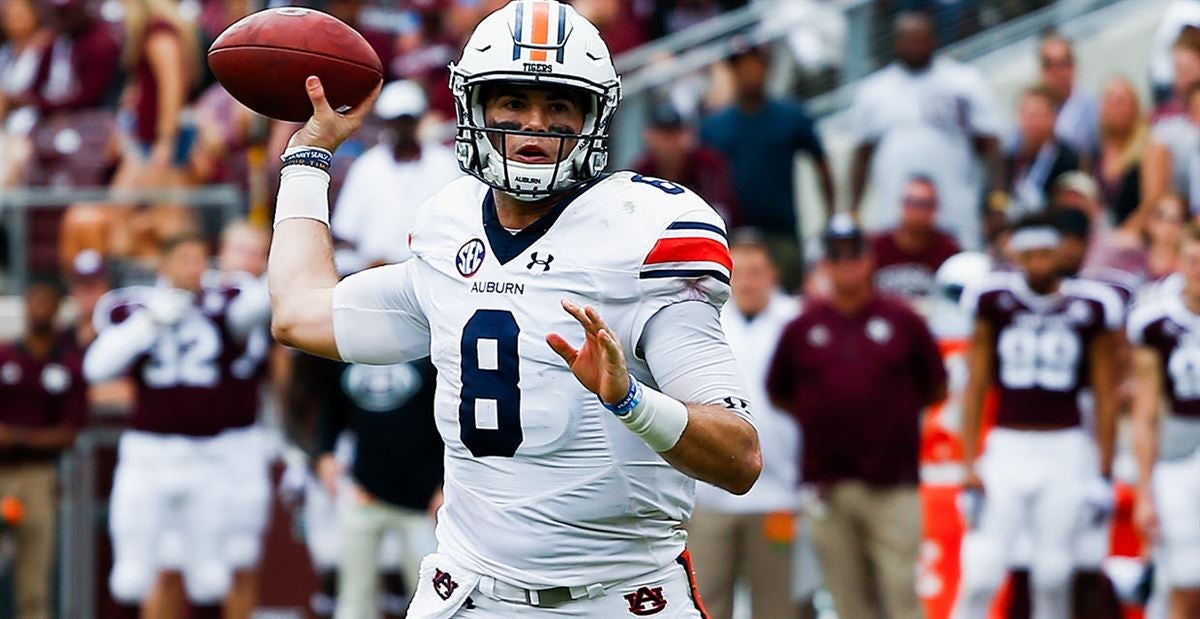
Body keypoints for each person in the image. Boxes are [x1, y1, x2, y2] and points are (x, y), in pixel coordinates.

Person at [269, 2, 762, 617]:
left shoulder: (643, 234)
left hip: (613, 599)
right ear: (473, 109)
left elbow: (739, 458)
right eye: (512, 102)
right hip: (465, 593)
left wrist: (630, 401)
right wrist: (309, 156)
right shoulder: (448, 227)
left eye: (559, 105)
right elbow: (297, 312)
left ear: (594, 116)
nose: (534, 124)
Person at [766, 214, 946, 619]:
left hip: (893, 482)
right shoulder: (803, 326)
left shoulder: (904, 320)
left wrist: (886, 416)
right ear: (825, 265)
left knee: (900, 591)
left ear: (869, 260)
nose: (846, 264)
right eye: (836, 256)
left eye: (854, 255)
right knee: (848, 598)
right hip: (829, 483)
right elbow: (780, 392)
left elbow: (935, 385)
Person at [84, 233, 271, 617]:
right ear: (164, 265)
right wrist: (149, 323)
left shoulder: (222, 305)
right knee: (138, 571)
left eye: (200, 260)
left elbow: (264, 301)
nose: (195, 269)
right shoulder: (137, 307)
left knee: (212, 574)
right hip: (150, 452)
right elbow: (96, 368)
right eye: (185, 259)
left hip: (209, 454)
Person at [953, 215, 1123, 619]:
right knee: (980, 572)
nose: (1040, 262)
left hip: (1064, 447)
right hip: (1009, 445)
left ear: (1061, 252)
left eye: (1047, 252)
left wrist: (1103, 471)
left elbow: (1105, 395)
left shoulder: (1091, 305)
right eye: (1031, 253)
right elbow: (975, 386)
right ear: (1018, 254)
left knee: (1052, 574)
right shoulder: (993, 300)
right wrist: (968, 464)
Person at [688, 234, 800, 619]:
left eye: (757, 272)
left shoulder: (798, 322)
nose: (748, 282)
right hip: (709, 494)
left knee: (778, 607)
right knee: (706, 603)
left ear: (773, 274)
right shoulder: (704, 319)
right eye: (740, 273)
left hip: (780, 493)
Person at [849, 10, 1004, 251]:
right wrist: (854, 210)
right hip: (896, 209)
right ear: (896, 42)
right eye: (908, 39)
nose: (915, 45)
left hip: (955, 209)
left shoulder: (963, 81)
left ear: (933, 39)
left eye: (920, 38)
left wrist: (997, 201)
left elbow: (991, 145)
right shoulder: (874, 90)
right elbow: (862, 155)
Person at [312, 356, 443, 618]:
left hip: (423, 499)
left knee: (432, 598)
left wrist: (444, 484)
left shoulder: (427, 348)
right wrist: (325, 453)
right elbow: (331, 405)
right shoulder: (349, 347)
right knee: (354, 599)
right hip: (364, 491)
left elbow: (450, 420)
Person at [701, 40, 834, 289]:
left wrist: (829, 216)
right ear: (733, 72)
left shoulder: (791, 116)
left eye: (754, 65)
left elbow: (821, 162)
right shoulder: (714, 126)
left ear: (767, 68)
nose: (749, 73)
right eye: (742, 67)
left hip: (780, 232)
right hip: (730, 235)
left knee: (786, 299)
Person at [0, 280, 88, 619]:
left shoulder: (67, 364)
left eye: (45, 302)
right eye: (33, 300)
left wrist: (17, 436)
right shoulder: (6, 355)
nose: (38, 308)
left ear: (57, 309)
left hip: (39, 475)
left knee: (34, 580)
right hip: (1, 471)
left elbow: (70, 431)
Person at [1128, 224, 1200, 619]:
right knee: (1186, 577)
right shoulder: (1157, 320)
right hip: (1178, 454)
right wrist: (1144, 489)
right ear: (1180, 261)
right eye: (1194, 261)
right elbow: (1146, 412)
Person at [331, 79, 462, 272]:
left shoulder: (445, 163)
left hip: (431, 268)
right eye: (396, 122)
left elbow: (459, 226)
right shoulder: (367, 166)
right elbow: (347, 231)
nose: (402, 129)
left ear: (418, 120)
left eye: (407, 121)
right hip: (372, 269)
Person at [632, 102, 737, 226]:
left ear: (687, 135)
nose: (670, 143)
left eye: (675, 134)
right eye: (663, 136)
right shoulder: (642, 170)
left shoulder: (708, 163)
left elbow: (722, 210)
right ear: (649, 137)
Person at [16, 0, 120, 116]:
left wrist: (38, 104)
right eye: (56, 12)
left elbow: (89, 98)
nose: (60, 18)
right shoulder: (55, 41)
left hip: (89, 117)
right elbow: (36, 86)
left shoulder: (100, 43)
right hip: (49, 115)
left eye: (66, 12)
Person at [870, 175, 962, 299]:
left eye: (923, 204)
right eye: (911, 203)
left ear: (935, 209)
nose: (916, 212)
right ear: (901, 205)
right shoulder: (874, 247)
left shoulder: (950, 252)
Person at [1006, 85, 1081, 218]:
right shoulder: (1013, 159)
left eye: (1036, 115)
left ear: (1053, 117)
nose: (1030, 122)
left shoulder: (1067, 159)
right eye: (1026, 115)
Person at [1094, 77, 1147, 226]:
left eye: (1122, 101)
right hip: (1105, 228)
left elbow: (1151, 204)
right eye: (1110, 102)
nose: (1117, 108)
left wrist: (1124, 233)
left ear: (1135, 106)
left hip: (1134, 232)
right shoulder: (1099, 148)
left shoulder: (1150, 148)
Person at [1038, 33, 1098, 158]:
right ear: (1042, 71)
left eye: (1062, 63)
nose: (1056, 72)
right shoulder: (1032, 113)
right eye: (1049, 65)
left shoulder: (1093, 108)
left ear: (1073, 66)